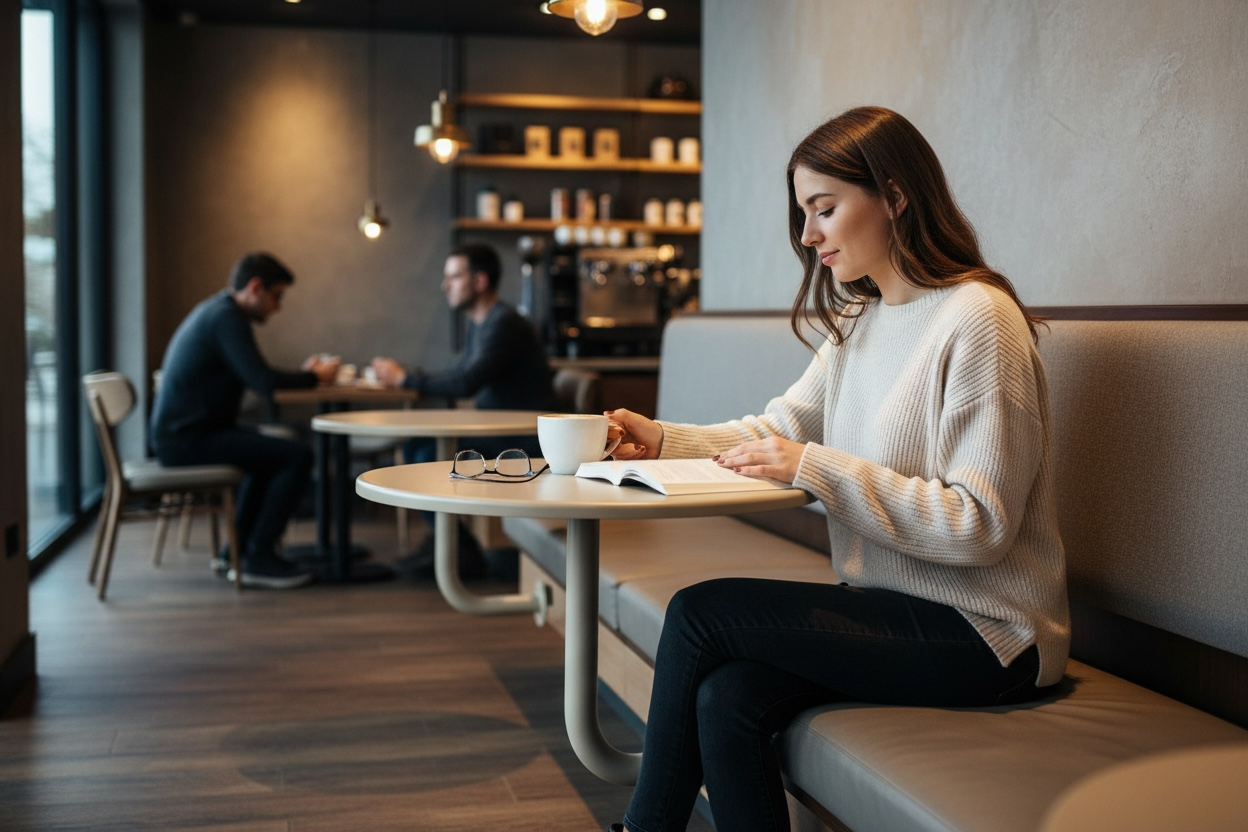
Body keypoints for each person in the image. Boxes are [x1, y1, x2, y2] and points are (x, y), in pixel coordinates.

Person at [603, 107, 1071, 832]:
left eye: (824, 208)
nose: (807, 234)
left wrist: (816, 470)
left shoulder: (980, 320)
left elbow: (980, 527)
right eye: (803, 213)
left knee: (701, 613)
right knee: (724, 697)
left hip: (991, 634)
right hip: (895, 610)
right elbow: (778, 430)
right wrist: (660, 440)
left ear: (895, 196)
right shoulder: (861, 321)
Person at [151, 252, 340, 590]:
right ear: (255, 287)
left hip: (186, 435)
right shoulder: (226, 318)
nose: (278, 307)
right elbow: (263, 381)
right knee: (297, 455)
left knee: (270, 456)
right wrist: (313, 377)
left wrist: (307, 375)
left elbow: (258, 378)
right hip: (186, 441)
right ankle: (257, 557)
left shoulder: (216, 311)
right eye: (277, 296)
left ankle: (237, 553)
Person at [371, 243, 555, 575]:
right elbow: (459, 376)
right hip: (498, 431)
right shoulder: (482, 323)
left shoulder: (505, 324)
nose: (446, 285)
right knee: (417, 446)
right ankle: (448, 541)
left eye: (454, 276)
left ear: (480, 281)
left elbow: (465, 383)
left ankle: (457, 549)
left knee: (425, 450)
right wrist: (407, 376)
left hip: (521, 439)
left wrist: (404, 379)